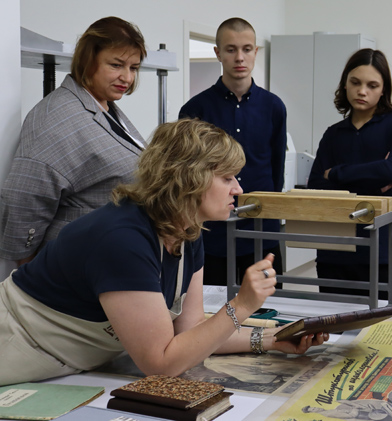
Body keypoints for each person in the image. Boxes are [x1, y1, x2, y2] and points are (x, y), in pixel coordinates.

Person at [0, 119, 326, 386]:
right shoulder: (123, 239)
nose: (238, 189)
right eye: (227, 177)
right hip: (14, 346)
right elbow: (161, 364)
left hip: (63, 363)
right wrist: (242, 305)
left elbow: (192, 334)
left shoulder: (188, 231)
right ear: (189, 178)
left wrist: (272, 338)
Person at [0, 17, 147, 266]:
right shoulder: (57, 115)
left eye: (133, 68)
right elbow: (23, 197)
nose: (127, 77)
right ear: (88, 60)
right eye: (116, 65)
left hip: (109, 260)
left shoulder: (104, 107)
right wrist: (29, 269)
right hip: (73, 267)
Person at [179, 18, 287, 286]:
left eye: (246, 49)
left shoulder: (274, 107)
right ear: (218, 53)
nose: (240, 57)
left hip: (262, 227)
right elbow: (188, 174)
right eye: (231, 49)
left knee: (270, 304)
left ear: (255, 52)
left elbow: (277, 168)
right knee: (210, 304)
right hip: (211, 232)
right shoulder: (195, 109)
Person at [307, 49, 392, 301]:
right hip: (333, 254)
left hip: (382, 253)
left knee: (389, 325)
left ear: (383, 89)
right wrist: (374, 185)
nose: (362, 91)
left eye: (372, 85)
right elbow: (315, 187)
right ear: (345, 83)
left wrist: (336, 173)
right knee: (333, 326)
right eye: (355, 82)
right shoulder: (333, 134)